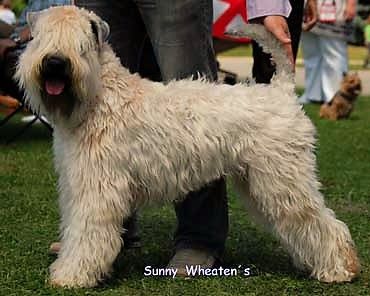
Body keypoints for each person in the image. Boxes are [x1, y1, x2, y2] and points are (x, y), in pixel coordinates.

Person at [300, 0, 357, 104]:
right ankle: (313, 95)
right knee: (311, 55)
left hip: (334, 8)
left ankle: (337, 97)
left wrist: (351, 3)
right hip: (306, 7)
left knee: (335, 55)